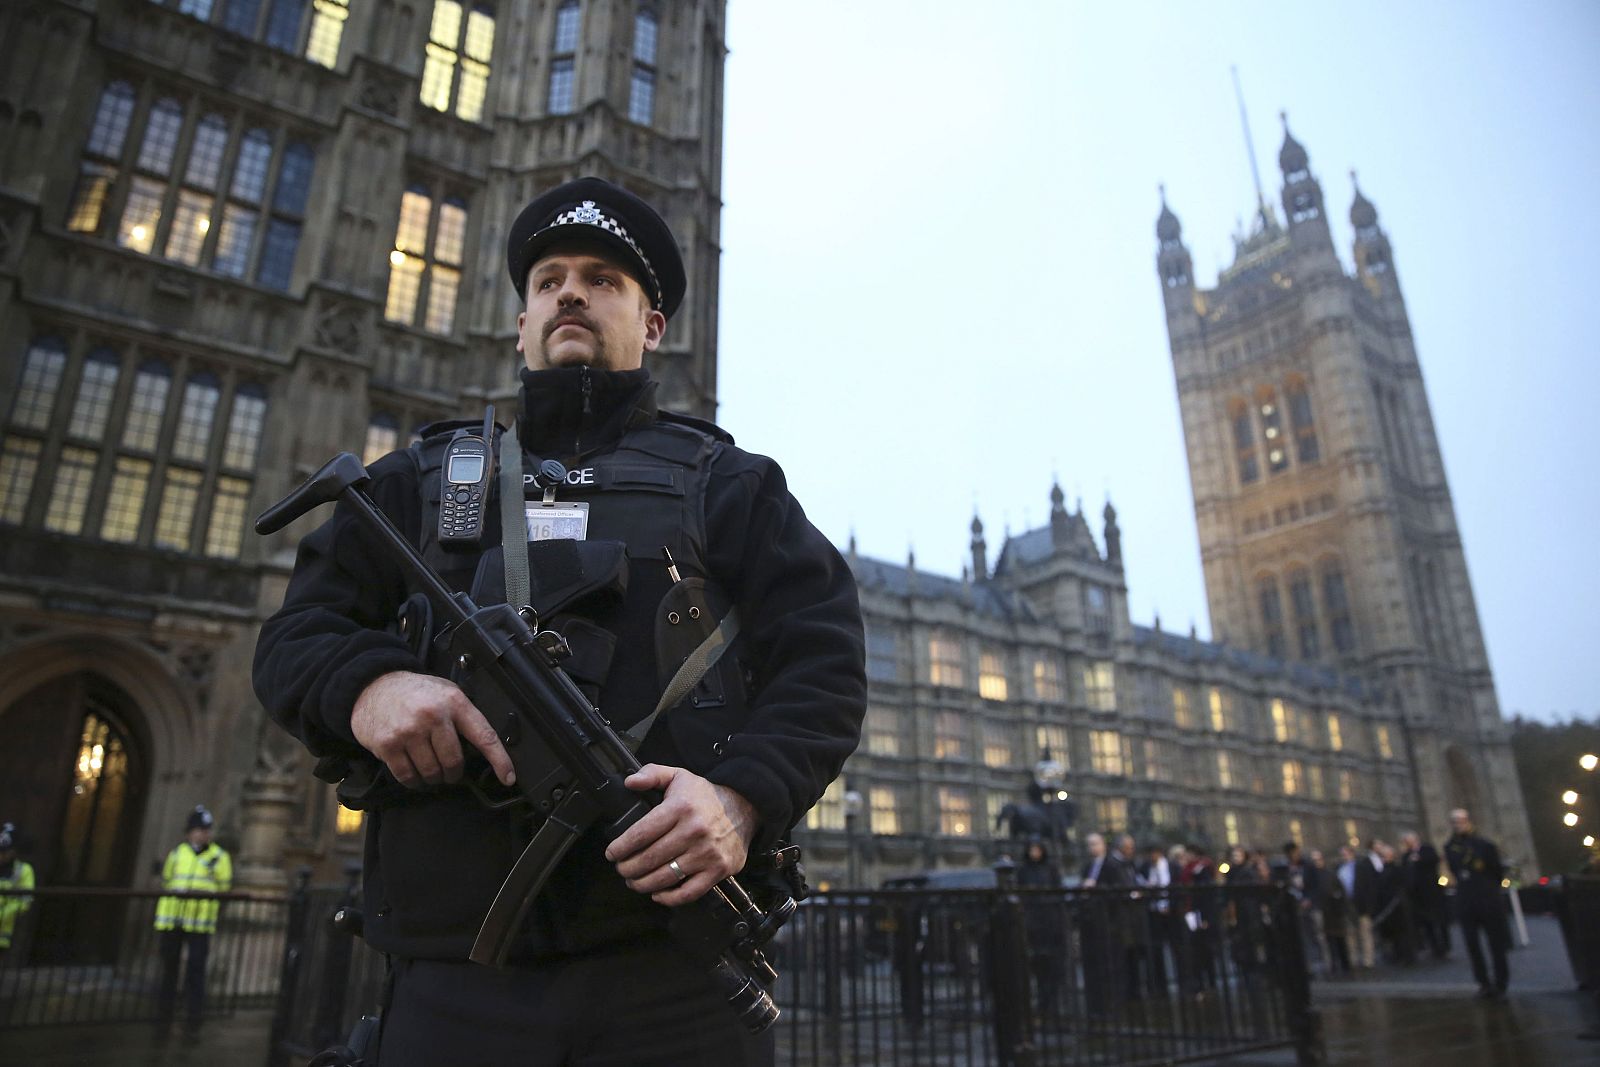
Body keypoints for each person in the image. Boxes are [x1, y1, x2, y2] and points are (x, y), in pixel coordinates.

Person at [254, 177, 867, 1066]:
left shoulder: (730, 485)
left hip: (672, 982)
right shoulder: (419, 480)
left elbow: (827, 662)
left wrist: (742, 798)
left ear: (652, 326)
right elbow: (295, 635)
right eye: (549, 280)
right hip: (452, 977)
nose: (570, 292)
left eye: (603, 280)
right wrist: (369, 685)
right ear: (521, 323)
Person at [154, 805, 232, 1039]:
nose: (202, 834)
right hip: (173, 920)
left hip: (200, 922)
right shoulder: (177, 854)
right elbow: (167, 880)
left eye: (206, 829)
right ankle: (164, 1014)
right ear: (189, 831)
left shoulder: (219, 856)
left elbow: (224, 886)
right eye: (198, 829)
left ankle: (193, 1016)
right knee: (169, 968)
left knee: (195, 971)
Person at [1444, 808, 1510, 1001]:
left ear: (1469, 821)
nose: (1459, 824)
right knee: (1472, 944)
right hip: (1466, 900)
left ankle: (1500, 982)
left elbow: (1496, 871)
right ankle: (1483, 983)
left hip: (1488, 898)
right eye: (1455, 821)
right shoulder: (1450, 847)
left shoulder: (1485, 845)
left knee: (1496, 944)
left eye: (1462, 820)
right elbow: (1456, 870)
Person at [1017, 839, 1065, 1016]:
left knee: (1053, 965)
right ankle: (1041, 1001)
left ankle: (1051, 1002)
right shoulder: (1023, 870)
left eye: (1037, 849)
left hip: (1050, 922)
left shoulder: (1051, 869)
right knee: (1036, 964)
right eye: (1032, 849)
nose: (1035, 853)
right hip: (1032, 923)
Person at [1400, 831, 1449, 960]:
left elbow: (1434, 860)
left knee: (1439, 920)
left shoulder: (1426, 850)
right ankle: (1434, 947)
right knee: (1427, 923)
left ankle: (1445, 946)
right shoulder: (1406, 856)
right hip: (1418, 895)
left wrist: (1420, 859)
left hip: (1432, 891)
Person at [0, 823, 35, 963]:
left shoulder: (23, 870)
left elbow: (26, 901)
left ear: (13, 851)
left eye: (4, 852)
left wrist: (4, 913)